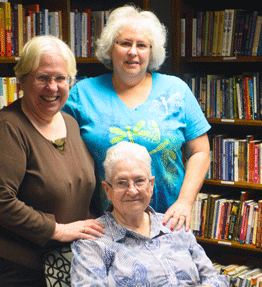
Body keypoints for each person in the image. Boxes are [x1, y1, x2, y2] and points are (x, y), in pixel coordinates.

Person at [0, 35, 104, 287]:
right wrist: (58, 231)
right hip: (6, 266)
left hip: (58, 261)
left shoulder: (69, 123)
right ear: (22, 81)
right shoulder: (5, 129)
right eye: (42, 78)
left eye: (61, 78)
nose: (53, 87)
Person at [63, 4, 211, 232]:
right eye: (125, 43)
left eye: (142, 45)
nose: (133, 52)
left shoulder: (176, 90)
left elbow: (200, 151)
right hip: (103, 226)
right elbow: (59, 150)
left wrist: (185, 202)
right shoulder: (82, 93)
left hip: (169, 221)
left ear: (152, 52)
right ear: (110, 48)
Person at [70, 141, 229, 287]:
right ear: (107, 190)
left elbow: (215, 278)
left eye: (139, 180)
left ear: (151, 185)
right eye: (121, 183)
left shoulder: (174, 226)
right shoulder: (93, 241)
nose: (132, 190)